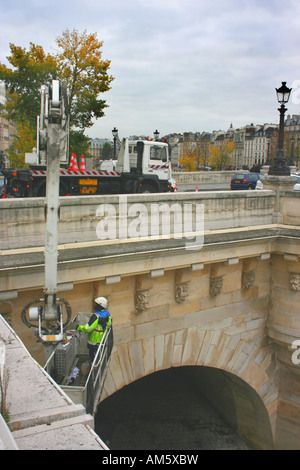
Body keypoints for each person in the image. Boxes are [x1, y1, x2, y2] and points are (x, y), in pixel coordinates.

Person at [77, 296, 112, 362]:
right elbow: (109, 324)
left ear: (100, 305)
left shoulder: (96, 317)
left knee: (93, 356)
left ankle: (92, 364)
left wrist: (78, 327)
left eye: (96, 304)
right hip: (102, 338)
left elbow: (88, 328)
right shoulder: (107, 314)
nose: (94, 305)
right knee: (99, 354)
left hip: (94, 340)